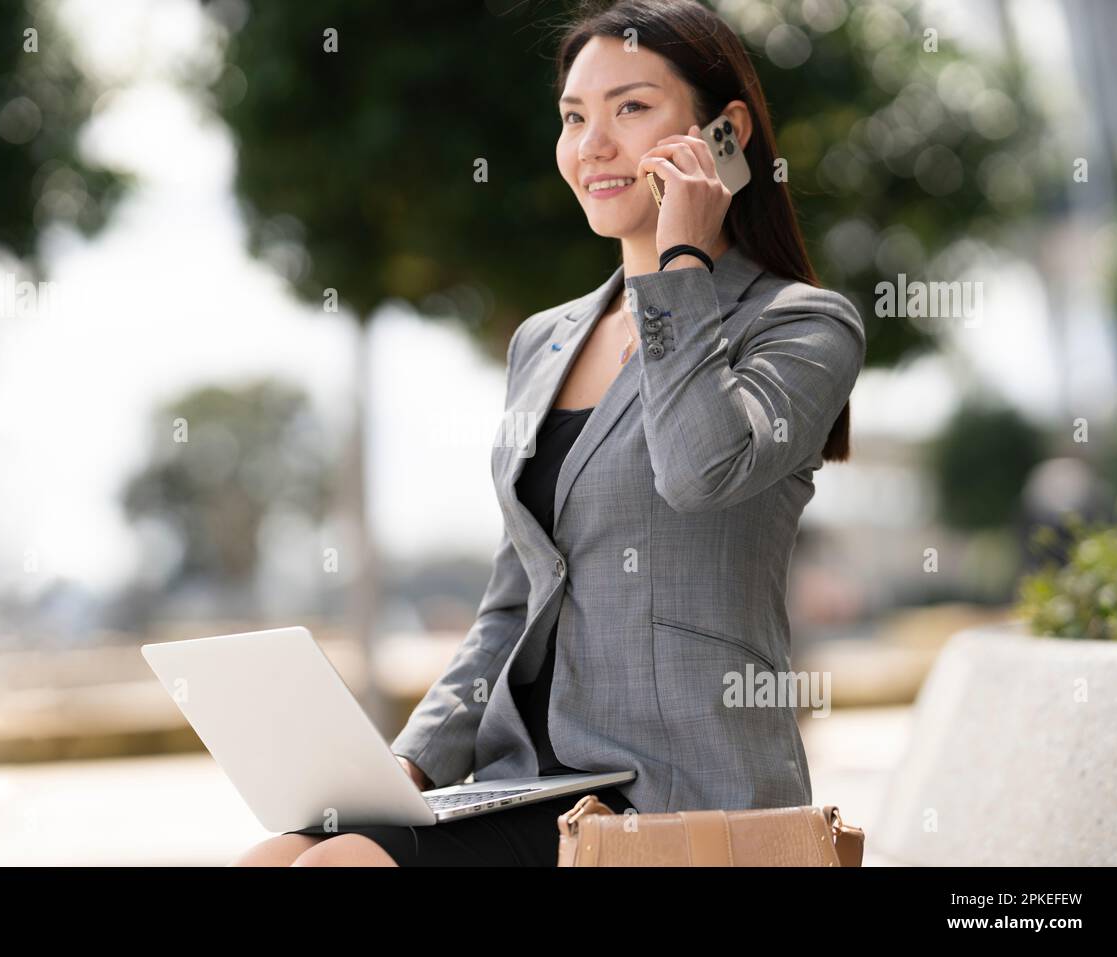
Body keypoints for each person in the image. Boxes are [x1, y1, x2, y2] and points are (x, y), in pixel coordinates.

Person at [235, 0, 866, 867]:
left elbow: (696, 469)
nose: (592, 145)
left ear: (726, 135)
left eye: (631, 108)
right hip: (526, 777)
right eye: (574, 117)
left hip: (672, 789)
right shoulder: (546, 338)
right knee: (275, 856)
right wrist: (410, 763)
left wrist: (679, 266)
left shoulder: (801, 325)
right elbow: (514, 600)